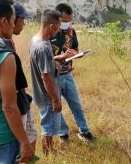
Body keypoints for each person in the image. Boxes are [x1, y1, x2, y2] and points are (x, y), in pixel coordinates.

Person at [0, 0, 34, 164]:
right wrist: (25, 142)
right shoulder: (4, 56)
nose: (14, 25)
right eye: (13, 20)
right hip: (3, 137)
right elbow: (9, 106)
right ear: (4, 22)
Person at [50, 3, 95, 143]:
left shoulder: (71, 30)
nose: (67, 24)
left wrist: (77, 54)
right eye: (64, 21)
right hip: (52, 77)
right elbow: (42, 59)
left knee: (76, 105)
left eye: (69, 21)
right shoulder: (48, 33)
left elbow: (75, 47)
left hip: (67, 74)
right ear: (56, 18)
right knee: (56, 107)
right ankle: (63, 134)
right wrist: (61, 57)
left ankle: (84, 131)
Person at [5, 2, 38, 164]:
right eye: (22, 19)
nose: (24, 23)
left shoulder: (9, 43)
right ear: (10, 20)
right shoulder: (2, 49)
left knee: (32, 135)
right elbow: (8, 104)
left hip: (23, 99)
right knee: (20, 144)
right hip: (16, 104)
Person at [30, 9, 62, 155]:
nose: (59, 30)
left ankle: (51, 149)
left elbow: (44, 65)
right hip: (47, 96)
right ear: (51, 26)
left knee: (49, 126)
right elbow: (45, 77)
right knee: (48, 128)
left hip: (43, 94)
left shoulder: (38, 40)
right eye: (58, 26)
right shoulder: (42, 47)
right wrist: (55, 99)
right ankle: (47, 155)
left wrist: (54, 63)